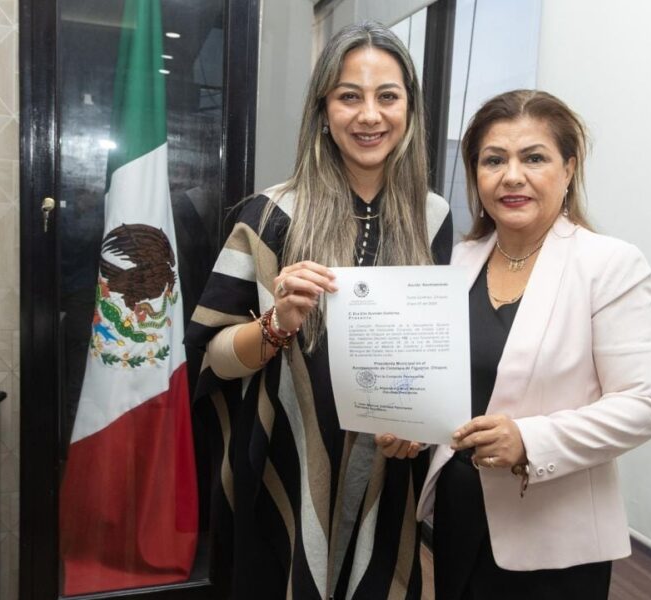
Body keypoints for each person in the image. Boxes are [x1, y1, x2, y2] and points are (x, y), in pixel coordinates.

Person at [185, 22, 452, 599]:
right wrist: (276, 323)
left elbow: (440, 359)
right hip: (286, 465)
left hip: (388, 473)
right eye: (349, 96)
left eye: (387, 96)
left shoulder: (434, 219)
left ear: (409, 108)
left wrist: (421, 431)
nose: (369, 115)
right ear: (324, 110)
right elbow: (214, 358)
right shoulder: (270, 215)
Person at [416, 90, 651, 599]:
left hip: (555, 536)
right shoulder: (455, 263)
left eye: (534, 158)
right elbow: (441, 385)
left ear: (569, 168)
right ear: (475, 174)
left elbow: (647, 404)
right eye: (494, 160)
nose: (512, 176)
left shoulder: (608, 265)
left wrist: (530, 441)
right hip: (458, 516)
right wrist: (410, 430)